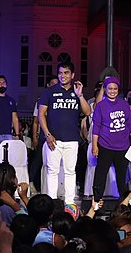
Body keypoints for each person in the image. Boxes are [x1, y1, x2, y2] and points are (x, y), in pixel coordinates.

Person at [37, 60, 91, 205]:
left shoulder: (76, 91)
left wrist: (80, 95)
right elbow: (41, 114)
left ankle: (69, 203)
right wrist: (47, 135)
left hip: (72, 139)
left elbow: (88, 112)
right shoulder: (49, 91)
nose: (63, 76)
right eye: (60, 73)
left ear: (72, 75)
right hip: (53, 139)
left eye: (66, 73)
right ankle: (52, 203)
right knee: (52, 171)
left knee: (70, 171)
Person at [91, 76, 131, 203]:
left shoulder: (124, 104)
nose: (112, 91)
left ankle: (123, 203)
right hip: (105, 145)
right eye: (110, 88)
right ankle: (96, 202)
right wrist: (95, 145)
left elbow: (130, 124)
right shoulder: (100, 106)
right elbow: (96, 127)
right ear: (105, 89)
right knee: (101, 175)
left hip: (122, 146)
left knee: (122, 176)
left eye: (115, 88)